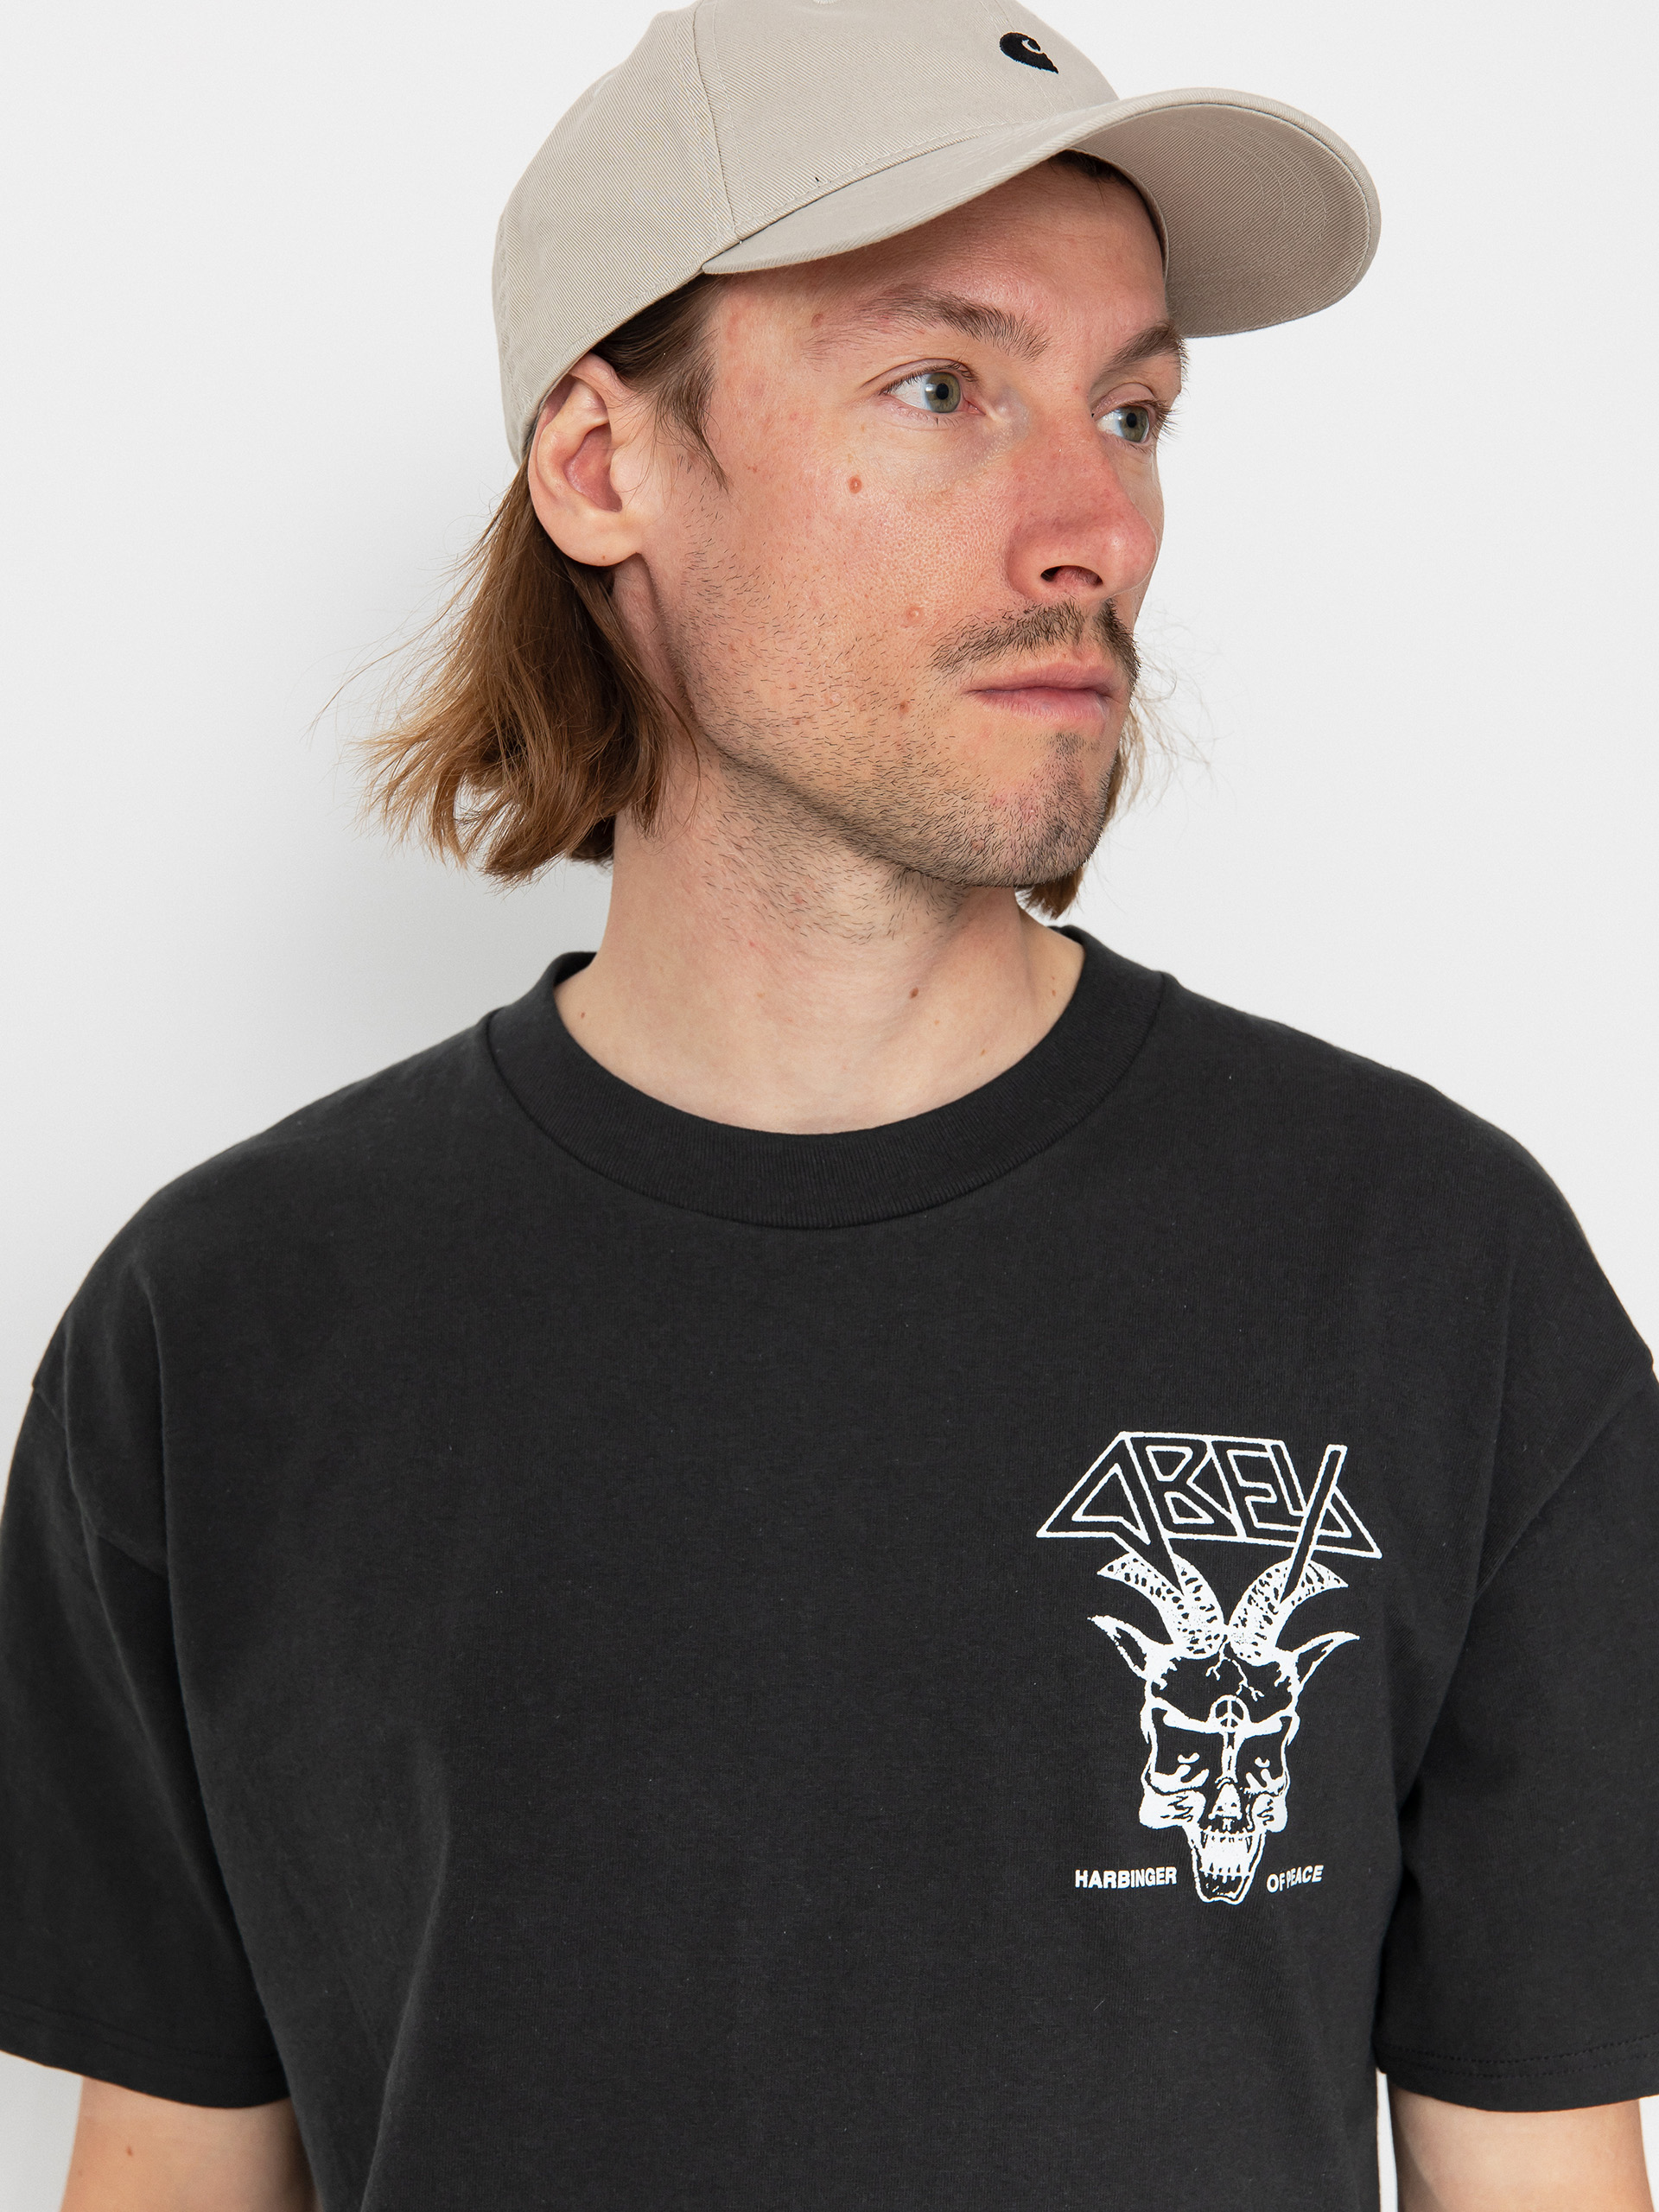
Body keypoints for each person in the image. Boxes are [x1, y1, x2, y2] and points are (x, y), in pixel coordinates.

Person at [1, 2, 1654, 2206]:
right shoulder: (223, 1333)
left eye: (1135, 409)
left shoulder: (1438, 1276)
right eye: (942, 386)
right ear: (604, 465)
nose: (1096, 526)